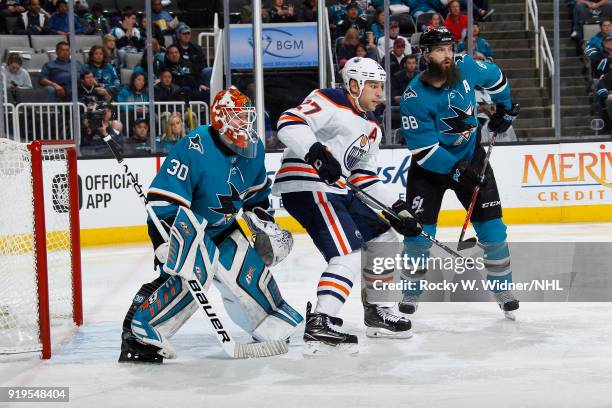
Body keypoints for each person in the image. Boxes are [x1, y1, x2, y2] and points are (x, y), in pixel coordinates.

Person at [118, 87, 302, 363]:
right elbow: (163, 201)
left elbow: (257, 198)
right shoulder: (194, 146)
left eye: (246, 117)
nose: (245, 124)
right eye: (238, 117)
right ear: (220, 119)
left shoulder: (254, 150)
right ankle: (141, 330)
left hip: (224, 228)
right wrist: (164, 241)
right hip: (188, 228)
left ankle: (269, 320)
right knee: (192, 272)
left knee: (249, 274)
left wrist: (265, 225)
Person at [273, 57, 419, 355]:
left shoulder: (372, 127)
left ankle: (377, 313)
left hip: (337, 189)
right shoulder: (329, 99)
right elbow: (288, 123)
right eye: (374, 86)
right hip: (307, 185)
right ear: (354, 85)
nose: (380, 93)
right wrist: (315, 152)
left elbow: (362, 176)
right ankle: (321, 321)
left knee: (385, 238)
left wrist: (397, 208)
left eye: (382, 86)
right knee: (349, 254)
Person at [398, 27, 520, 319]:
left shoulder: (466, 67)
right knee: (418, 237)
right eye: (440, 50)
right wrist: (455, 172)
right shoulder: (414, 96)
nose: (447, 55)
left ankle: (503, 290)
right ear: (425, 55)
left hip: (472, 159)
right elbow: (424, 151)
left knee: (494, 232)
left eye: (449, 48)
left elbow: (497, 78)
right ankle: (411, 291)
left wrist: (504, 109)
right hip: (430, 170)